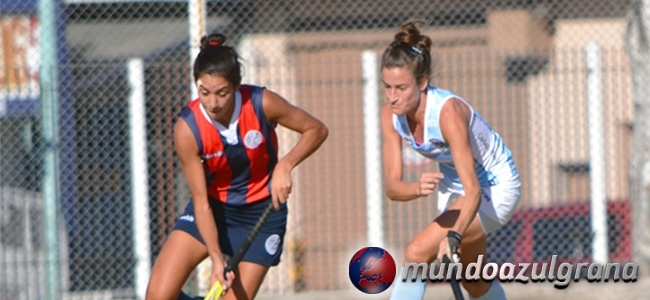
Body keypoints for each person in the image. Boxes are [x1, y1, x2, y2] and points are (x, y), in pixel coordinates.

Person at [145, 33, 328, 300]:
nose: (212, 103)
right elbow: (201, 203)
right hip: (213, 210)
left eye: (221, 93)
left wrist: (285, 165)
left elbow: (317, 129)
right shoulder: (188, 128)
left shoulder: (261, 103)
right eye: (204, 92)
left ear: (237, 86)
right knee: (157, 296)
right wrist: (217, 259)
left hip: (261, 214)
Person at [381, 21, 521, 300]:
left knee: (417, 252)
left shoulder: (447, 114)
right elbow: (392, 188)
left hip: (494, 187)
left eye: (401, 87)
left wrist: (454, 235)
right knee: (476, 283)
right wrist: (415, 187)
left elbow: (475, 191)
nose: (393, 97)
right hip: (457, 191)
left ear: (422, 82)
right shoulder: (390, 117)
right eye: (387, 87)